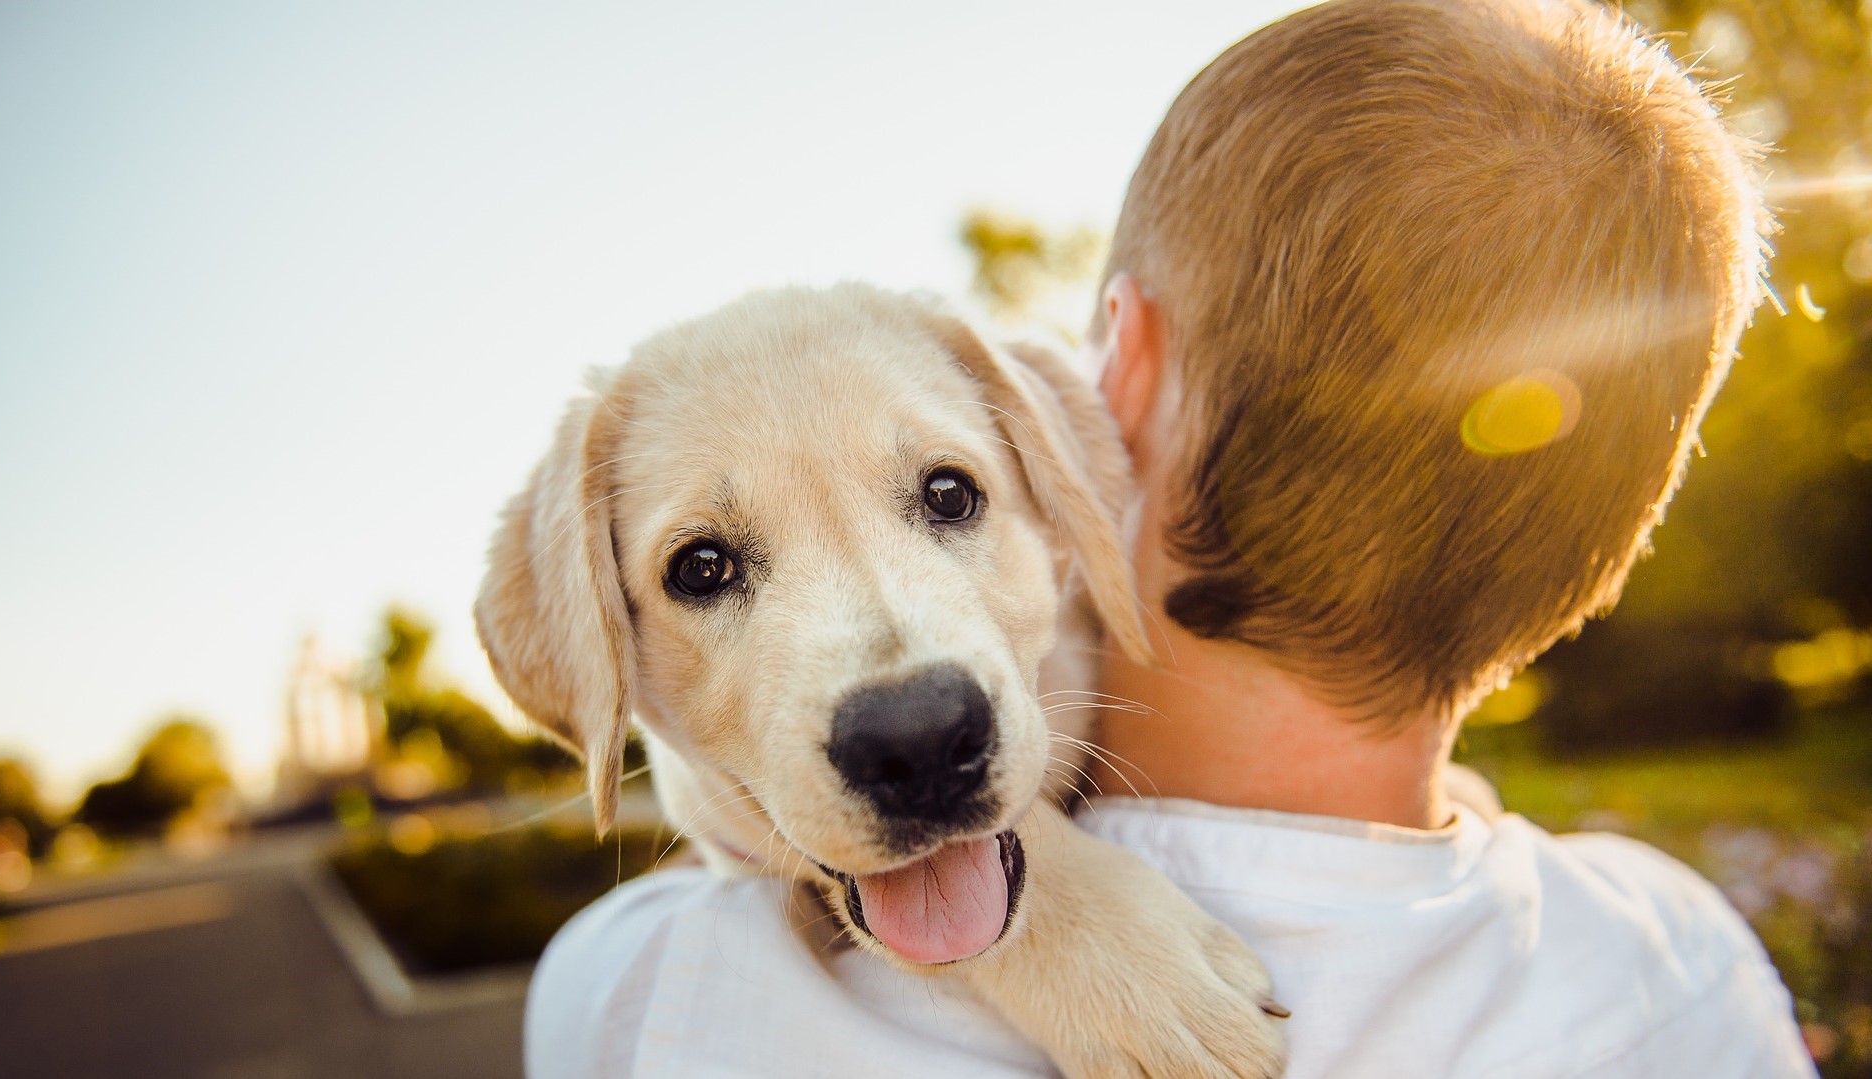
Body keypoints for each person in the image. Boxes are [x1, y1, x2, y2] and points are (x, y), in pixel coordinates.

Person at [524, 0, 1816, 1075]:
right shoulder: (1685, 975)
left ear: (1116, 380)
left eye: (948, 496)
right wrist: (1045, 909)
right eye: (708, 569)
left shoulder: (645, 1000)